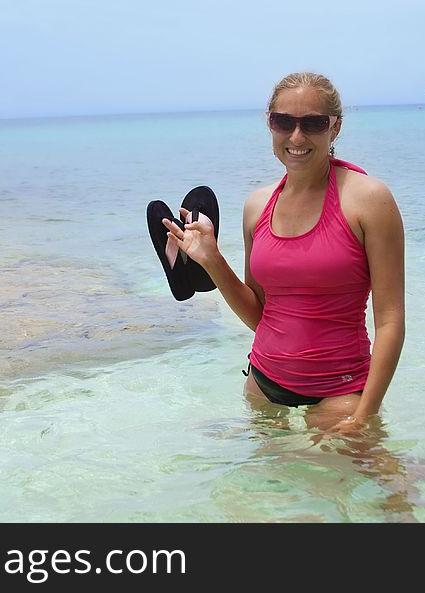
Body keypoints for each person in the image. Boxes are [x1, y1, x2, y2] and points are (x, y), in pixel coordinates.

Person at [163, 71, 405, 433]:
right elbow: (259, 315)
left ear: (334, 128)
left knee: (378, 486)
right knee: (266, 490)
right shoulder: (257, 206)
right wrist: (211, 259)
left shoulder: (368, 200)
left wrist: (364, 414)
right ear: (270, 124)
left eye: (313, 123)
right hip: (263, 385)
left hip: (340, 392)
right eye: (283, 122)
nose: (296, 137)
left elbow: (390, 322)